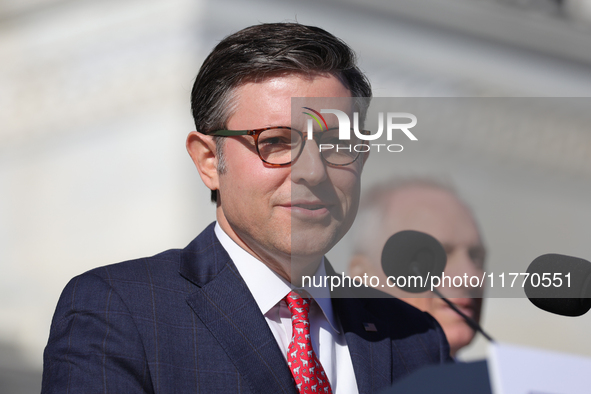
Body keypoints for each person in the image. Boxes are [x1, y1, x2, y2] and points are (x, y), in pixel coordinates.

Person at [42, 23, 451, 394]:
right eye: (275, 141)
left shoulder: (416, 339)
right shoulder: (120, 311)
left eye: (336, 144)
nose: (312, 171)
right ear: (208, 160)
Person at [349, 179, 486, 358]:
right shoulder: (327, 382)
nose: (470, 276)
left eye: (476, 257)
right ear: (363, 276)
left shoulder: (500, 384)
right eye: (436, 255)